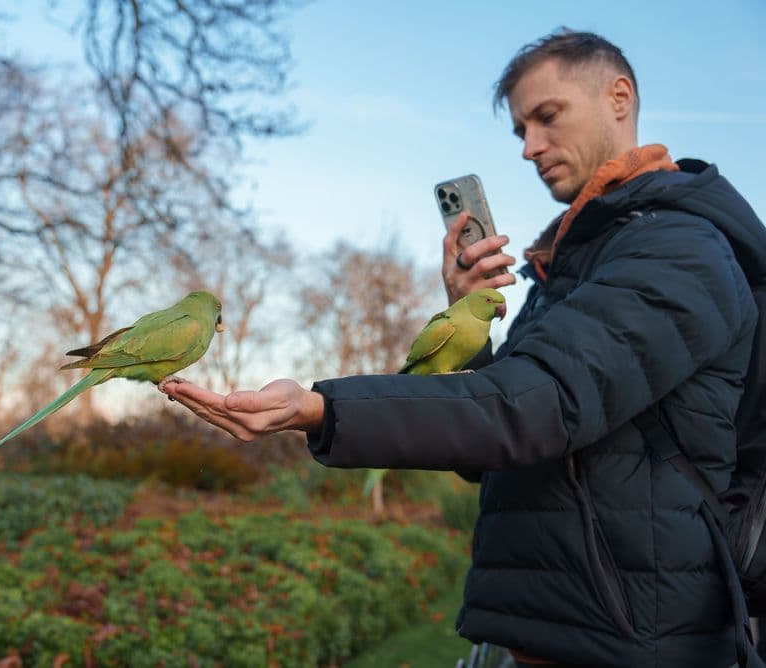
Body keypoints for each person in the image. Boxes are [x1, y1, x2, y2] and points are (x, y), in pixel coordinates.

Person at [163, 28, 766, 668]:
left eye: (547, 116)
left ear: (619, 98)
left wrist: (321, 407)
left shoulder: (677, 249)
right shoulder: (576, 265)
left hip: (634, 645)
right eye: (521, 130)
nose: (530, 147)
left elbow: (533, 408)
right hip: (555, 634)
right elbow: (499, 447)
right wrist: (465, 321)